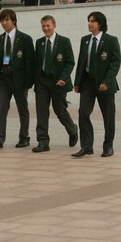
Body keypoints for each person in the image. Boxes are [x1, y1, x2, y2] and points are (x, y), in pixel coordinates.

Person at [73, 12, 121, 158]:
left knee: (108, 116)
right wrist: (77, 82)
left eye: (92, 21)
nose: (89, 24)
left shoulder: (111, 40)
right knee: (83, 112)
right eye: (88, 21)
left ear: (100, 23)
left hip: (104, 84)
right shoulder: (85, 40)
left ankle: (108, 146)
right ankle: (86, 146)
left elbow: (115, 63)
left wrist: (107, 81)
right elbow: (81, 62)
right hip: (87, 83)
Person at [0, 9, 35, 149]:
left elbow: (30, 62)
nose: (4, 23)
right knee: (1, 108)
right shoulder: (2, 38)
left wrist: (28, 82)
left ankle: (24, 137)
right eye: (2, 20)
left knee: (22, 109)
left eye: (7, 20)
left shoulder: (25, 39)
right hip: (4, 78)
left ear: (13, 21)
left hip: (19, 79)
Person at [32, 15, 78, 152]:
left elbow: (70, 62)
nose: (46, 28)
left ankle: (72, 129)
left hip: (58, 82)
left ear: (54, 26)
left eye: (48, 26)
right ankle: (43, 141)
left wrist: (64, 78)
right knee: (41, 111)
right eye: (43, 26)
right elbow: (37, 63)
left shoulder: (64, 41)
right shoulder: (39, 43)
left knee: (60, 110)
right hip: (42, 81)